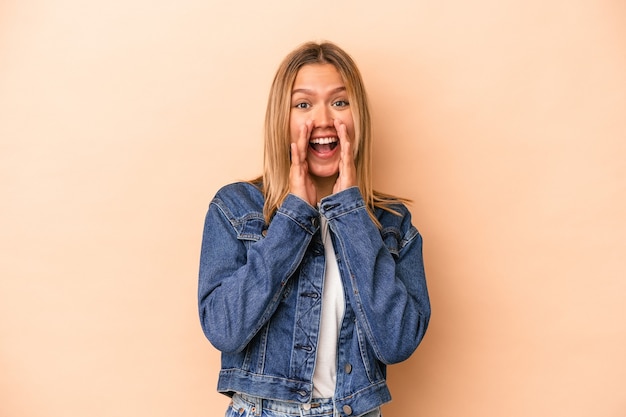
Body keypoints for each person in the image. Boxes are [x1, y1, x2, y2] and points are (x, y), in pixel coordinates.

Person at [198, 41, 430, 417]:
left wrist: (352, 214)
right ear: (282, 118)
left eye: (340, 102)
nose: (323, 119)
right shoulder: (236, 208)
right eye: (303, 104)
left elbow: (398, 342)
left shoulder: (391, 222)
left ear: (358, 117)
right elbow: (224, 329)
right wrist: (293, 215)